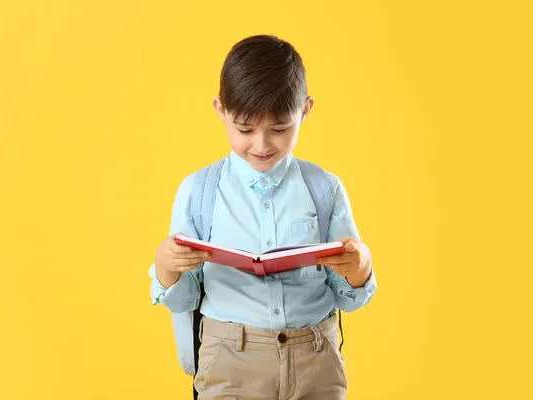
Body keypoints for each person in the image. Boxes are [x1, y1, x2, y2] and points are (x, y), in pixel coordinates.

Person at [149, 34, 378, 399]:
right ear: (220, 110)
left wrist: (359, 266)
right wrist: (166, 267)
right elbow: (185, 299)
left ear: (305, 110)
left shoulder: (325, 189)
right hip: (229, 360)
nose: (261, 144)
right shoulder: (198, 191)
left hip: (315, 357)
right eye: (244, 129)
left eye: (280, 129)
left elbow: (349, 297)